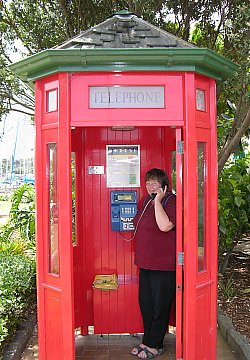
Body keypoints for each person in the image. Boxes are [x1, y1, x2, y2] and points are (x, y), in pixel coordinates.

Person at [131, 168, 176, 359]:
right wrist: (151, 200)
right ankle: (147, 339)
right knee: (146, 303)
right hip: (146, 263)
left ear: (164, 185)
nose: (150, 185)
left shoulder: (169, 201)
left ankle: (156, 345)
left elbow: (165, 226)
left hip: (163, 265)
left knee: (160, 305)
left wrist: (158, 200)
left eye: (154, 182)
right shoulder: (145, 200)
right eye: (148, 182)